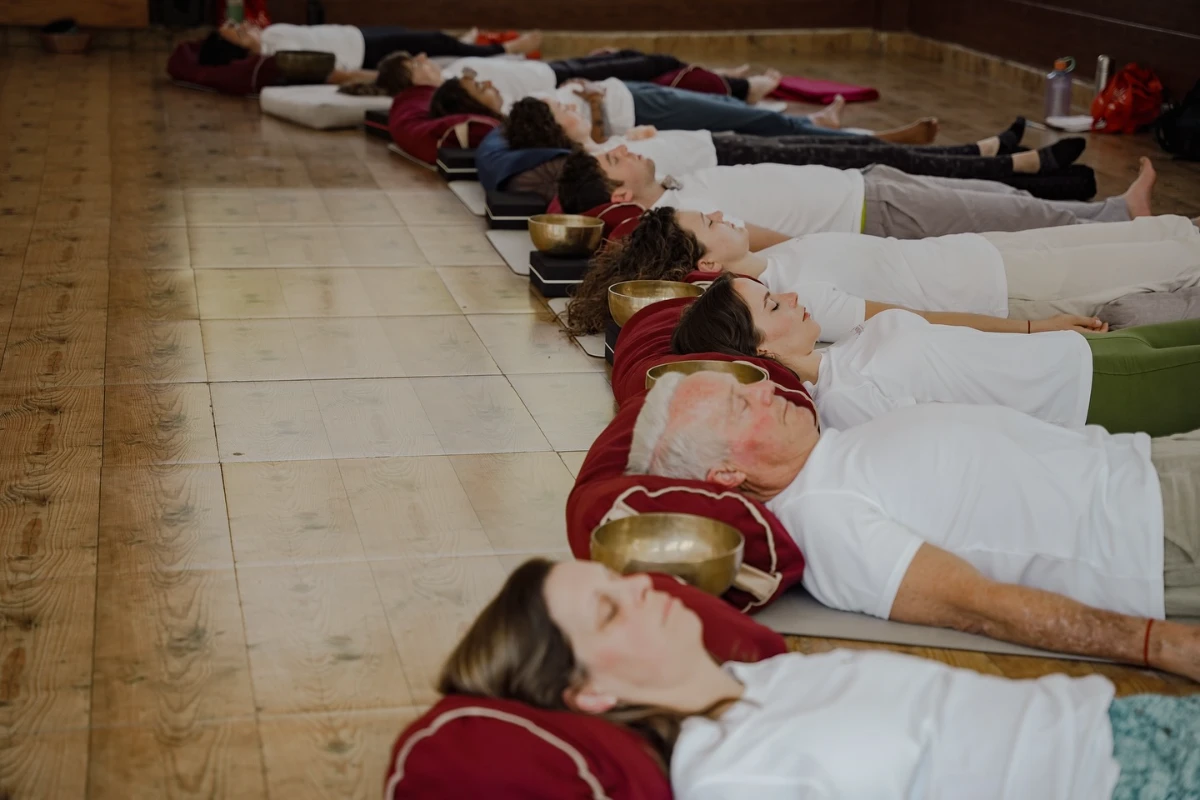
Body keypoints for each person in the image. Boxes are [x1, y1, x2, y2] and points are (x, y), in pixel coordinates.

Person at [439, 557, 1200, 799]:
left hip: (1126, 724)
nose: (645, 586)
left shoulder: (757, 681)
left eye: (620, 578)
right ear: (591, 695)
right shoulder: (735, 780)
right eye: (610, 611)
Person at [626, 370, 1200, 653]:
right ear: (727, 474)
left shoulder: (833, 451)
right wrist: (1161, 646)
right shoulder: (823, 520)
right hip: (1156, 530)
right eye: (739, 404)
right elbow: (982, 609)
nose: (764, 390)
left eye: (745, 384)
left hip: (1148, 461)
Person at [673, 272, 1200, 436]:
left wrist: (1038, 328)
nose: (790, 296)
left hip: (1073, 352)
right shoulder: (844, 401)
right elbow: (963, 440)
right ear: (760, 346)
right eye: (773, 303)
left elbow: (948, 331)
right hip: (1086, 395)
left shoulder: (845, 347)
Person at [562, 205, 1200, 335]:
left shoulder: (778, 258)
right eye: (709, 221)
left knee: (1149, 233)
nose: (724, 213)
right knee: (1166, 261)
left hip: (980, 252)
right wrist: (1038, 331)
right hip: (1004, 291)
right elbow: (920, 320)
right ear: (705, 260)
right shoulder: (794, 293)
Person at [555, 142, 1165, 237]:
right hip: (868, 213)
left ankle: (1111, 212)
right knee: (1001, 217)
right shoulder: (677, 213)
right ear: (619, 197)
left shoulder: (673, 185)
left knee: (1005, 204)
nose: (625, 150)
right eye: (615, 160)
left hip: (863, 186)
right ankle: (1121, 219)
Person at [507, 100, 1081, 186]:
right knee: (880, 162)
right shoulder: (591, 162)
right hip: (735, 160)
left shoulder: (606, 142)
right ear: (556, 130)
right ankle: (1018, 163)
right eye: (560, 109)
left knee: (876, 154)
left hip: (721, 142)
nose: (570, 105)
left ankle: (991, 152)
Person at [428, 65, 940, 144]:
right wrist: (594, 105)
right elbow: (595, 141)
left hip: (632, 94)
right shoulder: (519, 125)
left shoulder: (519, 103)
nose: (486, 84)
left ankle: (819, 121)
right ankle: (869, 139)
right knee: (757, 123)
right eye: (477, 87)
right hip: (643, 114)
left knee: (750, 115)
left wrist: (583, 89)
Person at [207, 21, 541, 84]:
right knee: (436, 42)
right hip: (364, 53)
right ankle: (505, 48)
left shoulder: (270, 35)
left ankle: (465, 42)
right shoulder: (280, 55)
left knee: (426, 39)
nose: (243, 27)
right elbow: (335, 72)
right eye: (236, 33)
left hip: (356, 35)